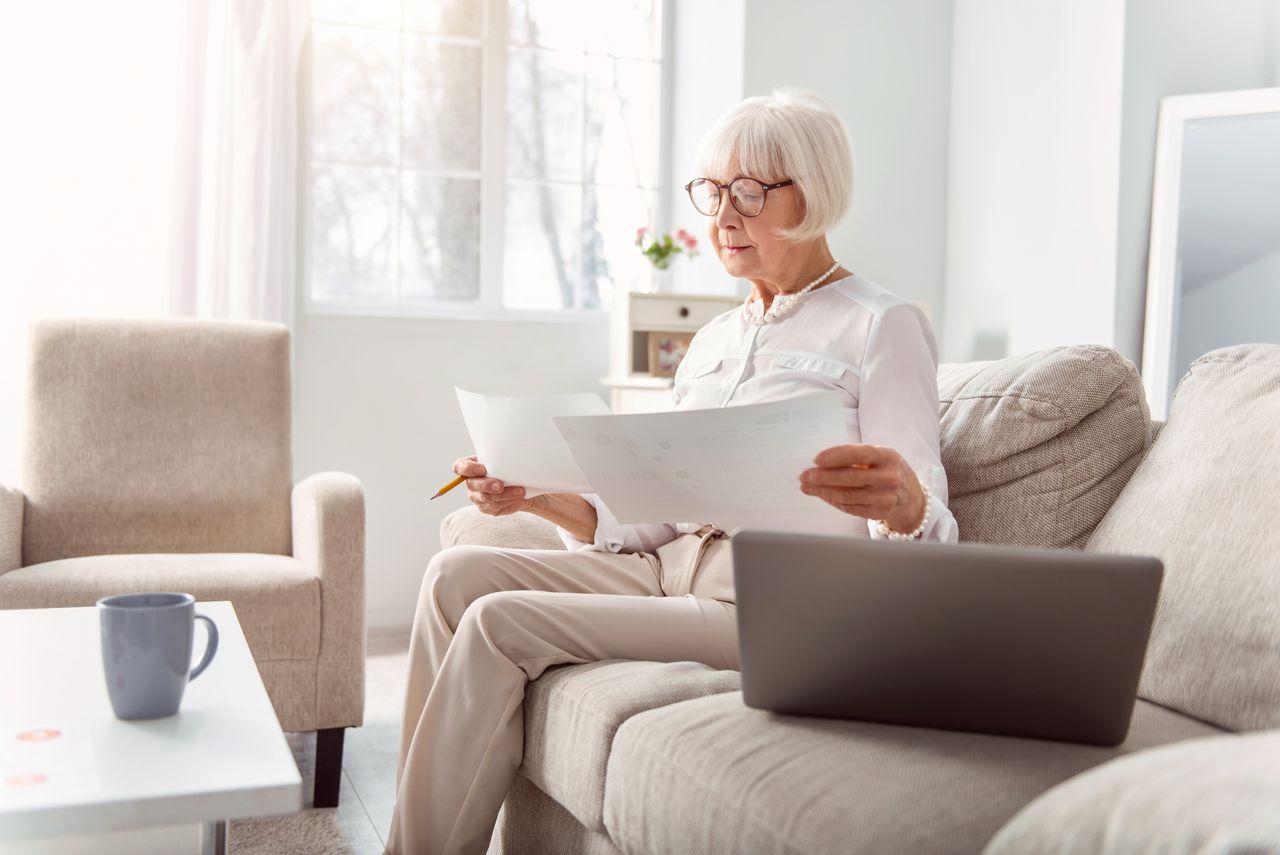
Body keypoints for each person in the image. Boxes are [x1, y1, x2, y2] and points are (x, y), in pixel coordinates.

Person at [386, 89, 958, 855]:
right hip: (667, 568)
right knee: (454, 574)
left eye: (750, 191)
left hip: (769, 603)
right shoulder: (716, 337)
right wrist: (538, 491)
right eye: (713, 191)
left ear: (814, 193)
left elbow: (930, 521)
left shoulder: (882, 324)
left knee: (499, 621)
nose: (724, 215)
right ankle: (411, 827)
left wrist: (904, 501)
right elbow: (649, 517)